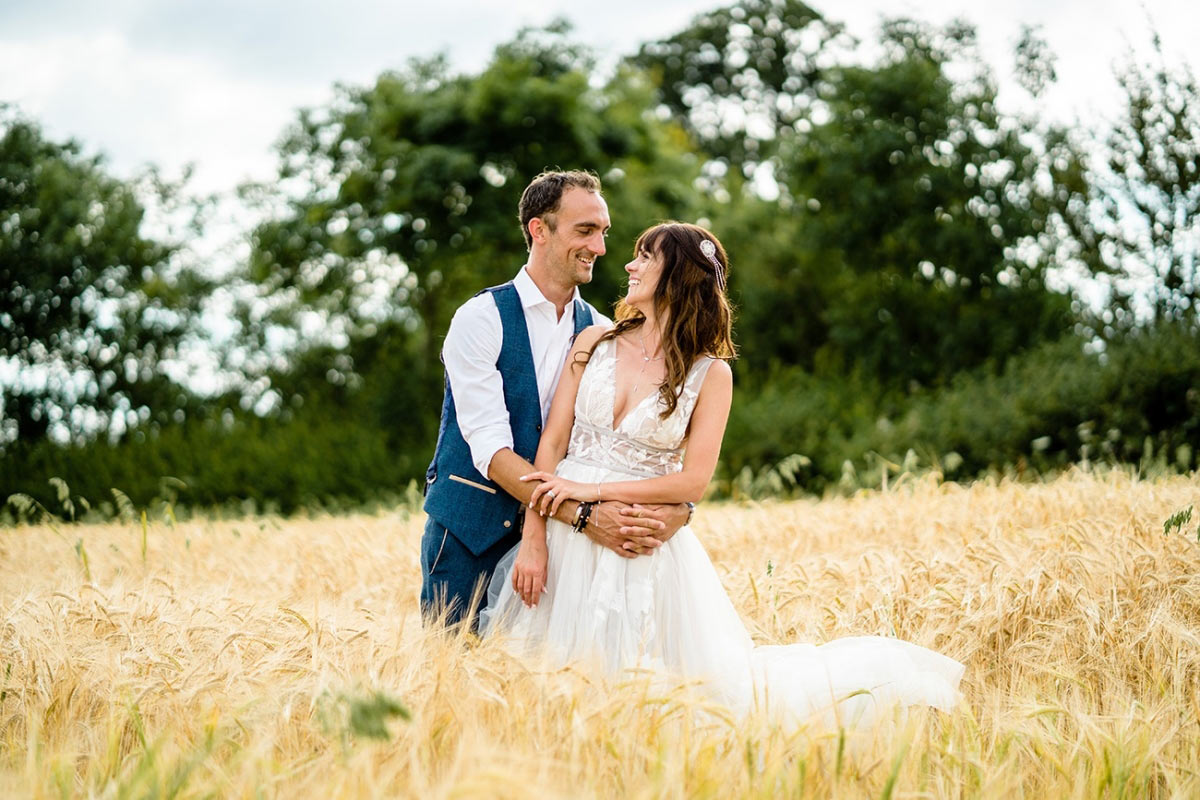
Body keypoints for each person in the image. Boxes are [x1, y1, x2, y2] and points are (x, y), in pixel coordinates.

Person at [480, 222, 964, 728]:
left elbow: (692, 483)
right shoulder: (594, 340)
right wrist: (534, 536)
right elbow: (551, 445)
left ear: (679, 276)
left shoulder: (711, 375)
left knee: (654, 701)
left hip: (638, 547)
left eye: (646, 257)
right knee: (543, 693)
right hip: (562, 538)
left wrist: (593, 489)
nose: (629, 265)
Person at [421, 170, 692, 627]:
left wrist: (680, 511)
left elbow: (647, 439)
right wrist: (583, 515)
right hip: (472, 532)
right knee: (450, 673)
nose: (600, 248)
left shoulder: (604, 333)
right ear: (538, 230)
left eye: (603, 233)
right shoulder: (480, 319)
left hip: (569, 551)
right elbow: (490, 449)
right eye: (585, 230)